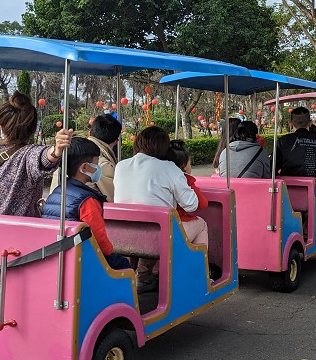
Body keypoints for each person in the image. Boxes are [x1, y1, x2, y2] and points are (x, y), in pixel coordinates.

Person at [114, 126, 209, 278]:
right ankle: (196, 275)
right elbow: (191, 205)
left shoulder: (121, 166)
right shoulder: (169, 168)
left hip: (123, 236)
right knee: (201, 224)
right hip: (157, 239)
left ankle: (142, 277)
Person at [0, 91, 74, 217]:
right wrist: (56, 150)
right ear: (33, 128)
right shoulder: (28, 154)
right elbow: (43, 158)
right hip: (13, 233)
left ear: (1, 127)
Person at [41, 137, 131, 271]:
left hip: (58, 256)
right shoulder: (87, 201)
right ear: (84, 167)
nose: (99, 167)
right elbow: (100, 241)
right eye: (96, 163)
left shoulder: (56, 191)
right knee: (125, 266)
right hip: (82, 259)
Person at [47, 113, 122, 200]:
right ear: (116, 141)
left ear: (90, 133)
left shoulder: (66, 152)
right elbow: (114, 199)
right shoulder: (102, 163)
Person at [275, 106, 316, 203]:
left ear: (291, 124)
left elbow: (273, 169)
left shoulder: (283, 141)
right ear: (310, 123)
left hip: (289, 195)